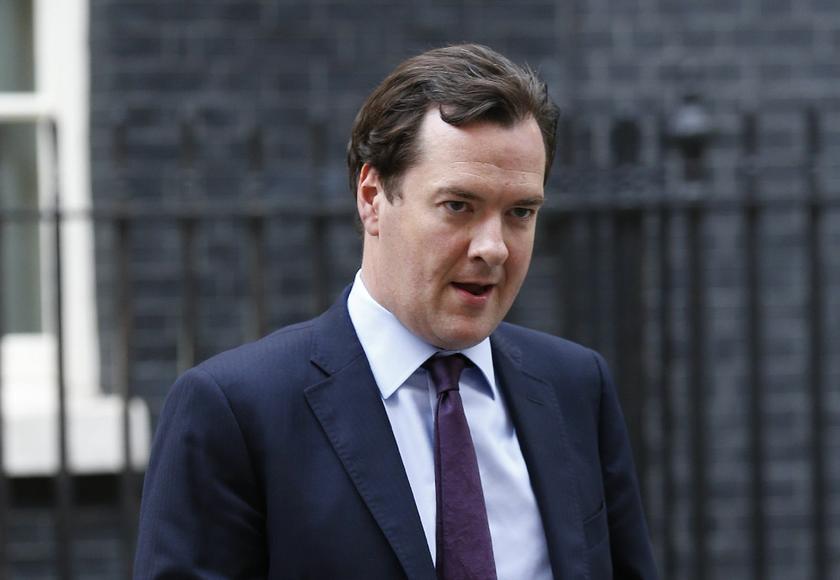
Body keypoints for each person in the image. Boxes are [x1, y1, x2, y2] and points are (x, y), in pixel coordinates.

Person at [134, 43, 658, 580]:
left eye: (520, 212)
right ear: (372, 197)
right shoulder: (235, 410)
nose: (494, 248)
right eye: (458, 206)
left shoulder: (576, 385)